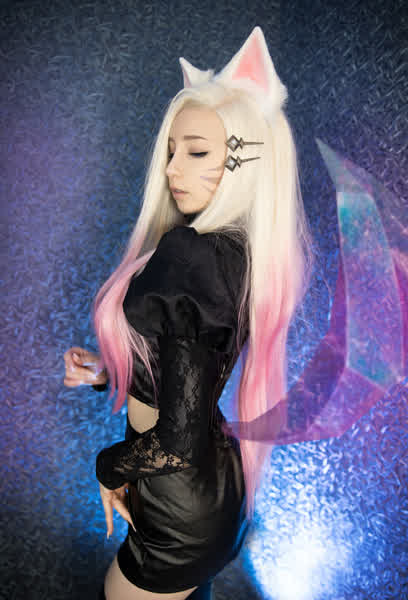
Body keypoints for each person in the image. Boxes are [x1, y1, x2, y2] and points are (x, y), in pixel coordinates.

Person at [63, 26, 313, 600]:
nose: (172, 169)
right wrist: (108, 371)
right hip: (212, 492)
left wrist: (108, 466)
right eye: (172, 151)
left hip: (176, 499)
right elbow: (188, 370)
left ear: (245, 161)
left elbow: (174, 442)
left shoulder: (191, 256)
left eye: (196, 152)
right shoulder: (241, 254)